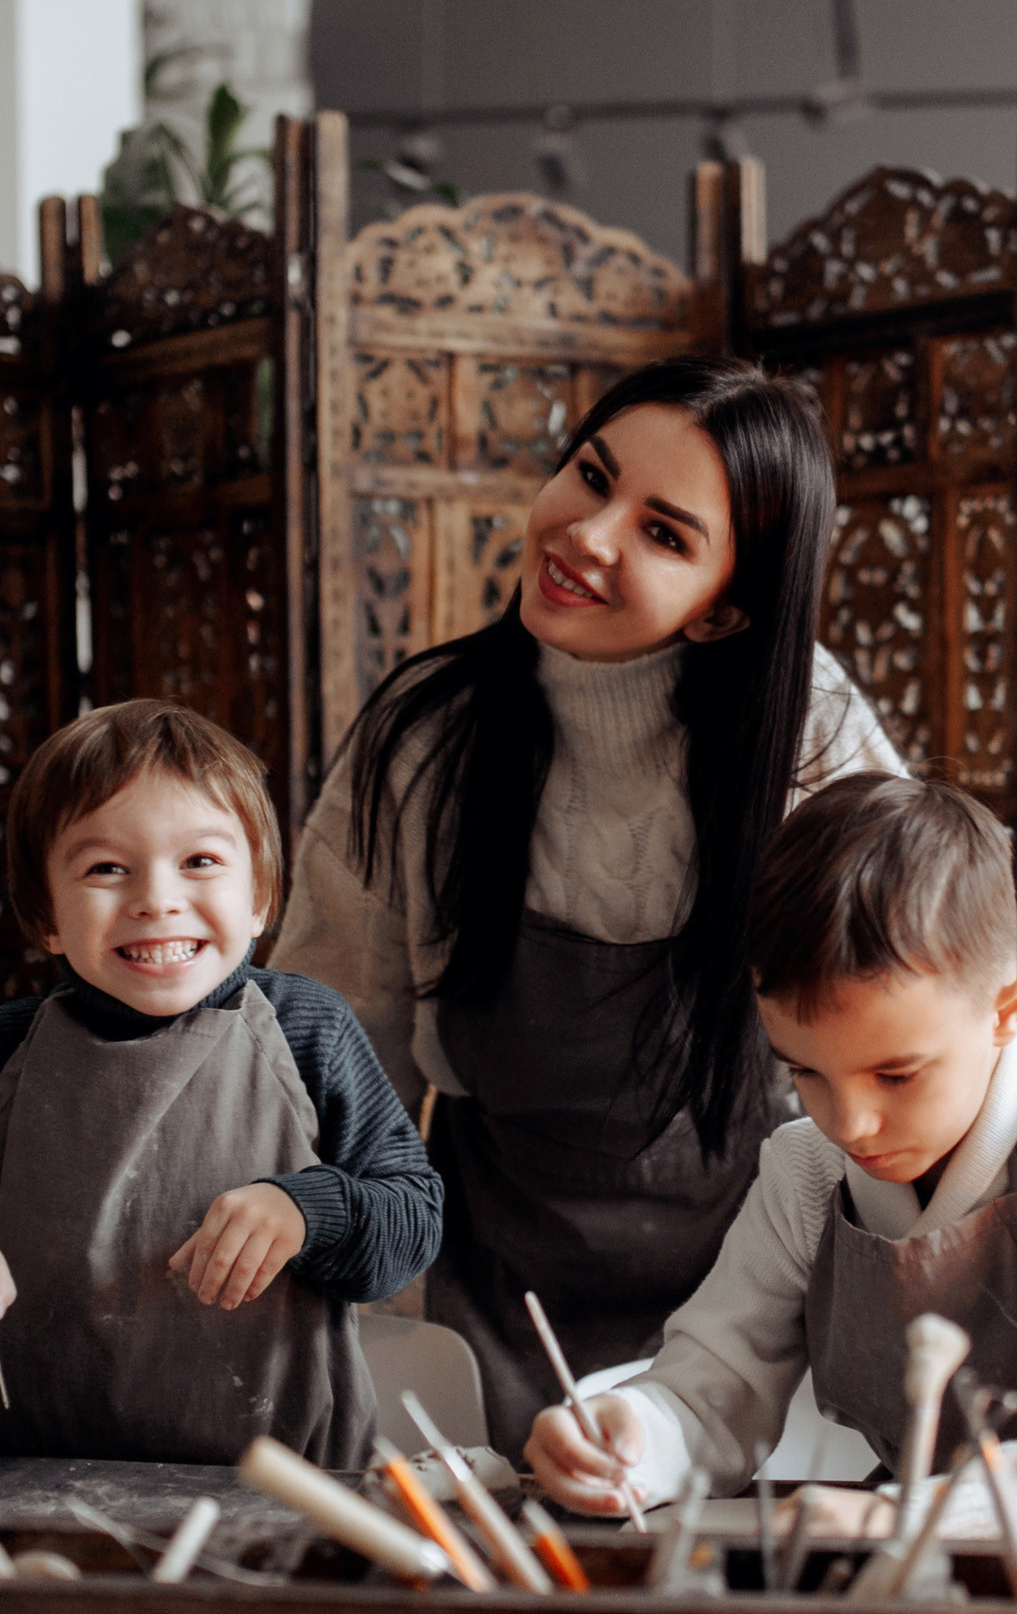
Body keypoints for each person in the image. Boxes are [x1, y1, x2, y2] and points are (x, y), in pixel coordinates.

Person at [272, 355, 903, 1455]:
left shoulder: (811, 740)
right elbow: (329, 1051)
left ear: (726, 611)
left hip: (762, 1282)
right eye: (590, 475)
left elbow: (894, 1048)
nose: (588, 535)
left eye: (664, 533)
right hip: (484, 1283)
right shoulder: (425, 736)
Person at [525, 773, 1017, 1540]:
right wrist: (636, 1433)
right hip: (937, 1545)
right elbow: (715, 1389)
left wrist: (916, 1515)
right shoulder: (804, 1169)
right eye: (805, 1070)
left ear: (1007, 1012)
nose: (849, 1122)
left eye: (896, 1073)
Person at [0, 700, 442, 1469]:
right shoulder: (5, 1048)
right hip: (39, 1477)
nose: (156, 899)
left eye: (200, 862)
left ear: (260, 898)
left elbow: (412, 1221)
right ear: (46, 914)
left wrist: (306, 1208)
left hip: (293, 1487)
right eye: (106, 868)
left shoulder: (309, 1027)